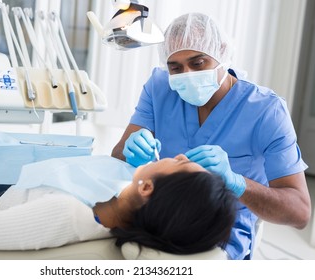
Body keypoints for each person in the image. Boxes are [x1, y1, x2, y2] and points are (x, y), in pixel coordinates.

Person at [111, 12, 312, 260]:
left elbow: (300, 213)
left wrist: (236, 182)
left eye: (198, 63)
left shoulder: (265, 111)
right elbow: (118, 156)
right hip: (159, 211)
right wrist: (131, 151)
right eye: (175, 67)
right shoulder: (159, 87)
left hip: (221, 226)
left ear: (223, 52)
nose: (187, 75)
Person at [0, 154, 236, 255]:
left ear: (148, 187)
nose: (179, 155)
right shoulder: (124, 214)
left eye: (181, 164)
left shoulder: (67, 214)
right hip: (22, 193)